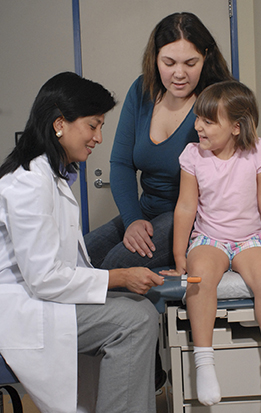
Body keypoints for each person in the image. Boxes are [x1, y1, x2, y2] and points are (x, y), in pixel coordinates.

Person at [0, 71, 164, 413]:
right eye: (93, 125)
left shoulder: (51, 177)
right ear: (60, 123)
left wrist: (116, 283)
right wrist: (119, 278)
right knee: (135, 321)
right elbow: (44, 277)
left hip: (41, 300)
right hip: (22, 309)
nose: (99, 137)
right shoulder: (29, 183)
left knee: (139, 311)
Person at [161, 80, 261, 406]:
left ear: (236, 127)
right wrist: (180, 255)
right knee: (201, 277)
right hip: (209, 238)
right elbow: (186, 206)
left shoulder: (259, 152)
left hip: (250, 239)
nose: (198, 127)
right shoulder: (192, 156)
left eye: (208, 121)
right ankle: (204, 363)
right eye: (198, 119)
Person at [84, 12, 233, 271]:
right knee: (79, 256)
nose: (179, 73)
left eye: (190, 63)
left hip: (193, 217)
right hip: (147, 210)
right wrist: (132, 220)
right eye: (169, 62)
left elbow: (234, 174)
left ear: (206, 58)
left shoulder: (218, 101)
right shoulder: (142, 90)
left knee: (115, 265)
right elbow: (121, 163)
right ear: (155, 58)